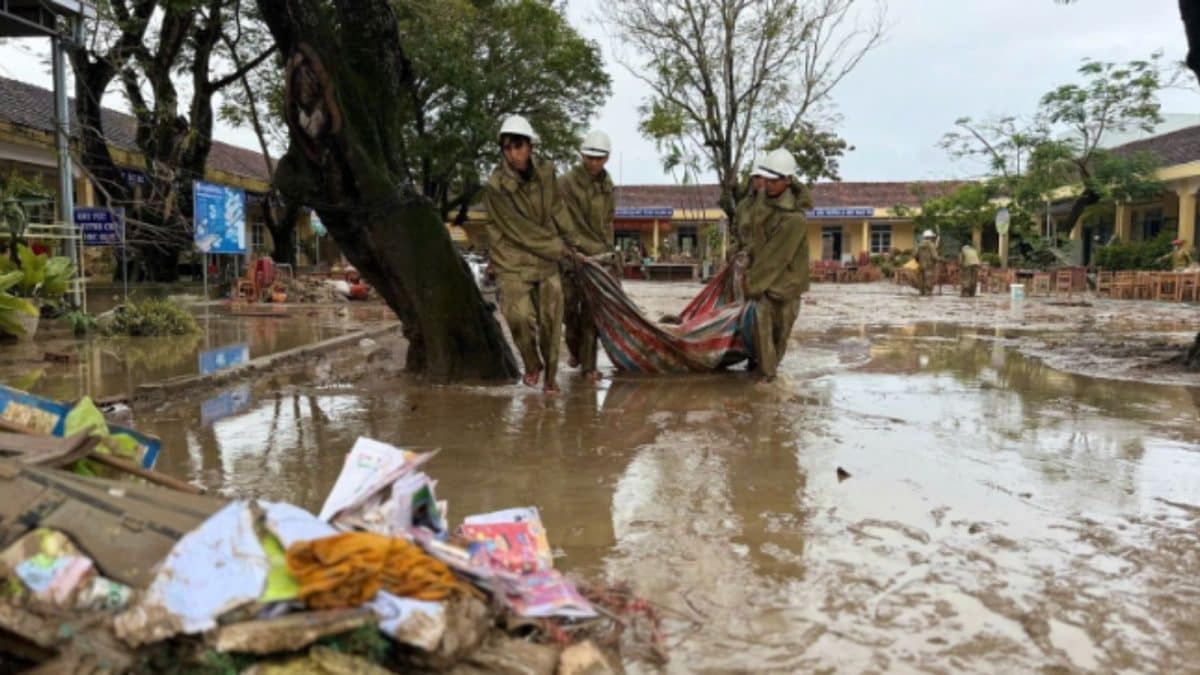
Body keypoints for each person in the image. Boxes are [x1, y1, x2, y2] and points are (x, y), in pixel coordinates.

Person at [482, 115, 577, 393]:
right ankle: (532, 363)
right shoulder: (495, 187)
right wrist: (559, 248)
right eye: (507, 148)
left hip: (545, 261)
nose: (513, 155)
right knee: (518, 316)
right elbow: (519, 231)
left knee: (552, 319)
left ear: (530, 147)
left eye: (518, 146)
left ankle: (550, 380)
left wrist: (573, 241)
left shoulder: (547, 173)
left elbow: (558, 208)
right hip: (511, 259)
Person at [744, 149, 809, 383]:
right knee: (762, 337)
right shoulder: (761, 203)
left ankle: (769, 379)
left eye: (774, 180)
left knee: (779, 338)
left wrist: (750, 285)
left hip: (787, 287)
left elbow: (775, 258)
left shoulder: (795, 219)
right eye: (766, 179)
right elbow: (754, 239)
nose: (767, 185)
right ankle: (766, 380)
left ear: (788, 180)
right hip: (764, 285)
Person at [559, 129, 617, 381]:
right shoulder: (565, 183)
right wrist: (571, 249)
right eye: (590, 157)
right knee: (568, 311)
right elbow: (559, 221)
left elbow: (608, 222)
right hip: (570, 257)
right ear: (582, 155)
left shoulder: (608, 186)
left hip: (598, 258)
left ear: (606, 159)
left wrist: (609, 254)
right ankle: (575, 351)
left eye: (599, 158)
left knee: (592, 313)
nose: (594, 162)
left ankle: (589, 366)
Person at [732, 159, 769, 255]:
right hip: (748, 259)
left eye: (763, 177)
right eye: (756, 177)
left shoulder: (779, 204)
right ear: (752, 179)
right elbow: (736, 231)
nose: (760, 180)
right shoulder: (742, 206)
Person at [916, 229, 939, 296]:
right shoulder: (931, 245)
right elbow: (934, 256)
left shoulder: (919, 245)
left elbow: (916, 256)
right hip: (929, 266)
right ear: (930, 237)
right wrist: (939, 260)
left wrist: (919, 262)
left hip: (921, 266)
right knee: (928, 280)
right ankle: (927, 293)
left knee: (921, 280)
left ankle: (921, 293)